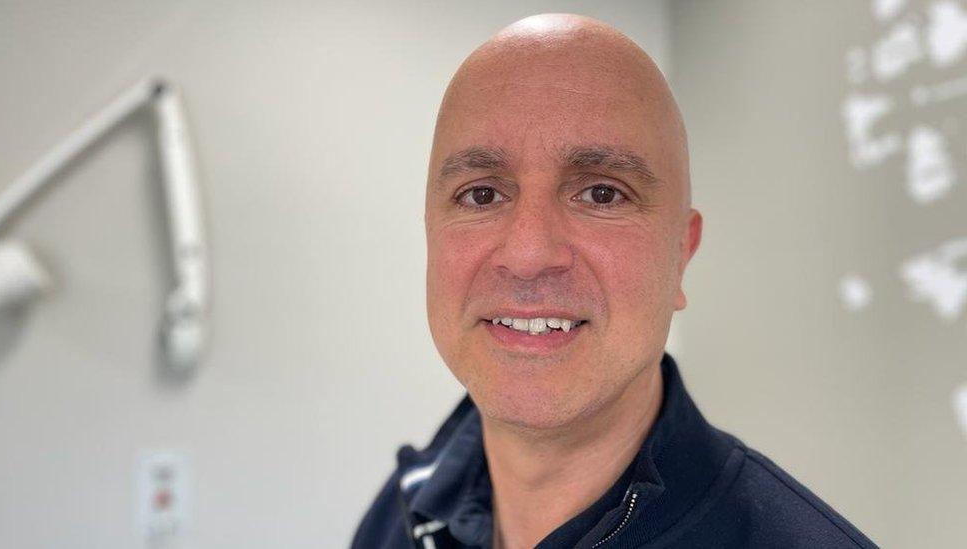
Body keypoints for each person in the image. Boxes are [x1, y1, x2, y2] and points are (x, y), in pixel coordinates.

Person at [352, 13, 877, 549]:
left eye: (603, 193)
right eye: (481, 194)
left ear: (681, 253)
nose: (529, 254)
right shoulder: (399, 514)